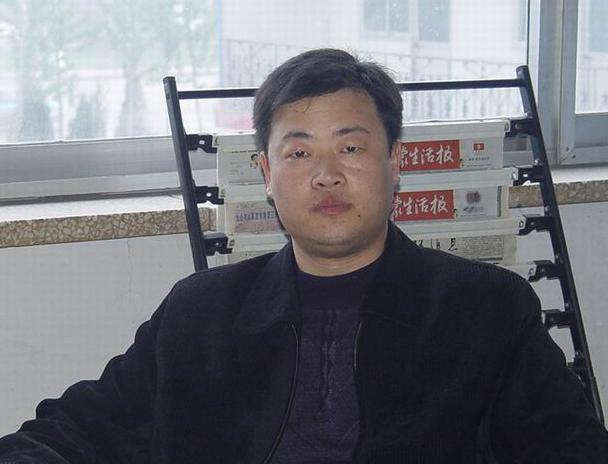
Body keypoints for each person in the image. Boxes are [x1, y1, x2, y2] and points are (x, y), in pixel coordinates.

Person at [1, 48, 607, 464]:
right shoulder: (201, 314)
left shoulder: (484, 311)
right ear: (266, 173)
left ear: (395, 163)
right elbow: (76, 430)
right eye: (298, 153)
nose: (325, 175)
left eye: (350, 148)